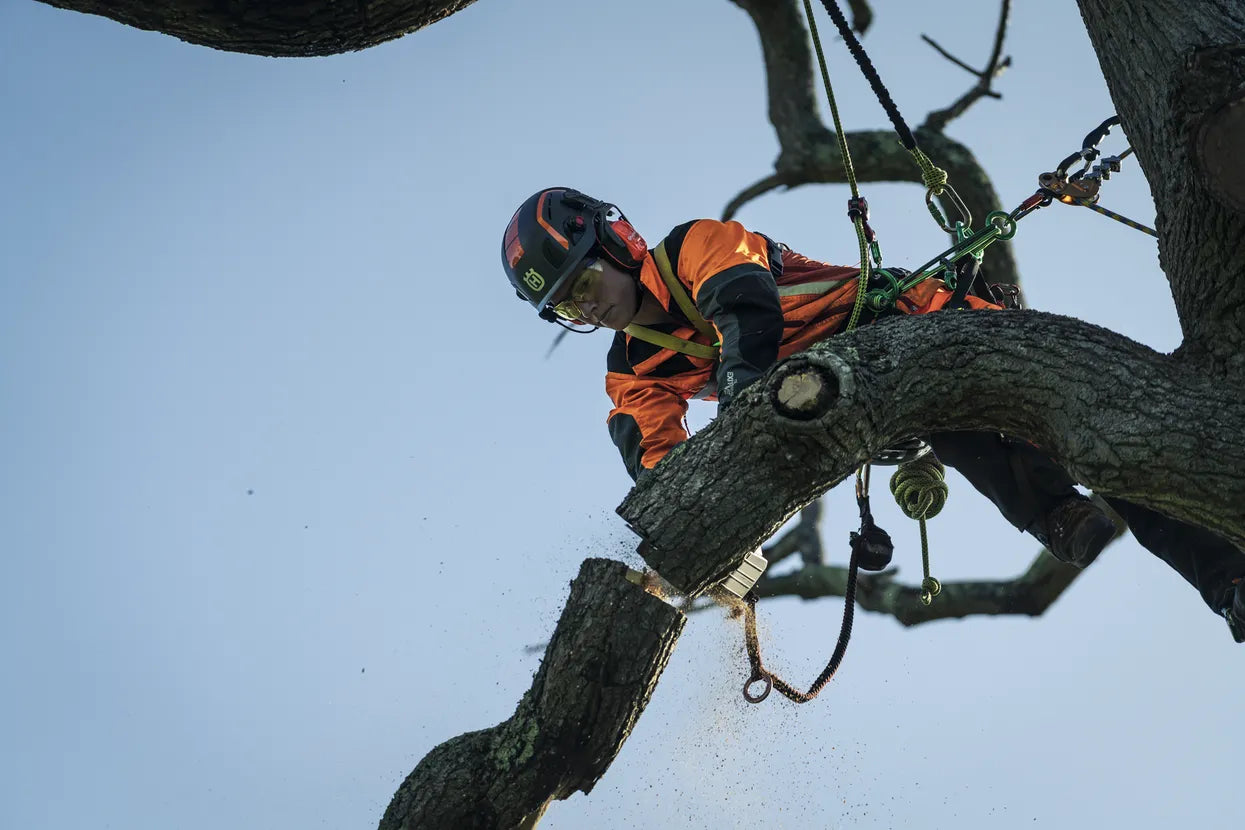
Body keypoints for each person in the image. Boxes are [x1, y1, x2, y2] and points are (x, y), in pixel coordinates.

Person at [500, 187, 1245, 641]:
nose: (584, 304)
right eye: (565, 304)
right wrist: (692, 531)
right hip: (869, 397)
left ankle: (1219, 575)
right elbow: (655, 459)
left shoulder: (697, 244)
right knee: (954, 422)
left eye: (583, 280)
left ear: (615, 243)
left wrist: (742, 411)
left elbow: (744, 312)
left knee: (1102, 444)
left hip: (923, 322)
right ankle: (1066, 518)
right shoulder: (631, 372)